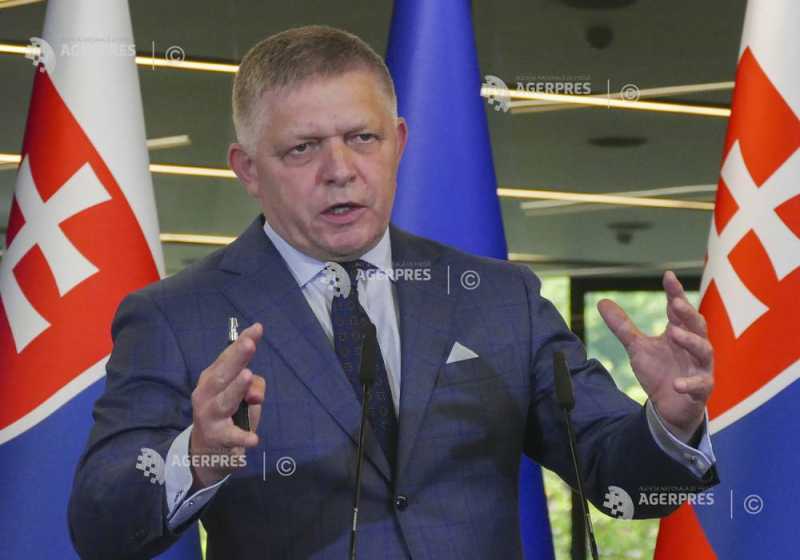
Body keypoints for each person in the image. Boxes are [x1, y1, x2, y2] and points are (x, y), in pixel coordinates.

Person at [68, 25, 717, 559]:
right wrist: (195, 458)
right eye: (302, 148)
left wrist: (670, 420)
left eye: (363, 138)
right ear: (248, 170)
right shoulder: (176, 315)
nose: (340, 170)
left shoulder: (500, 298)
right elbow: (99, 525)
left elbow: (624, 482)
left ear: (398, 142)